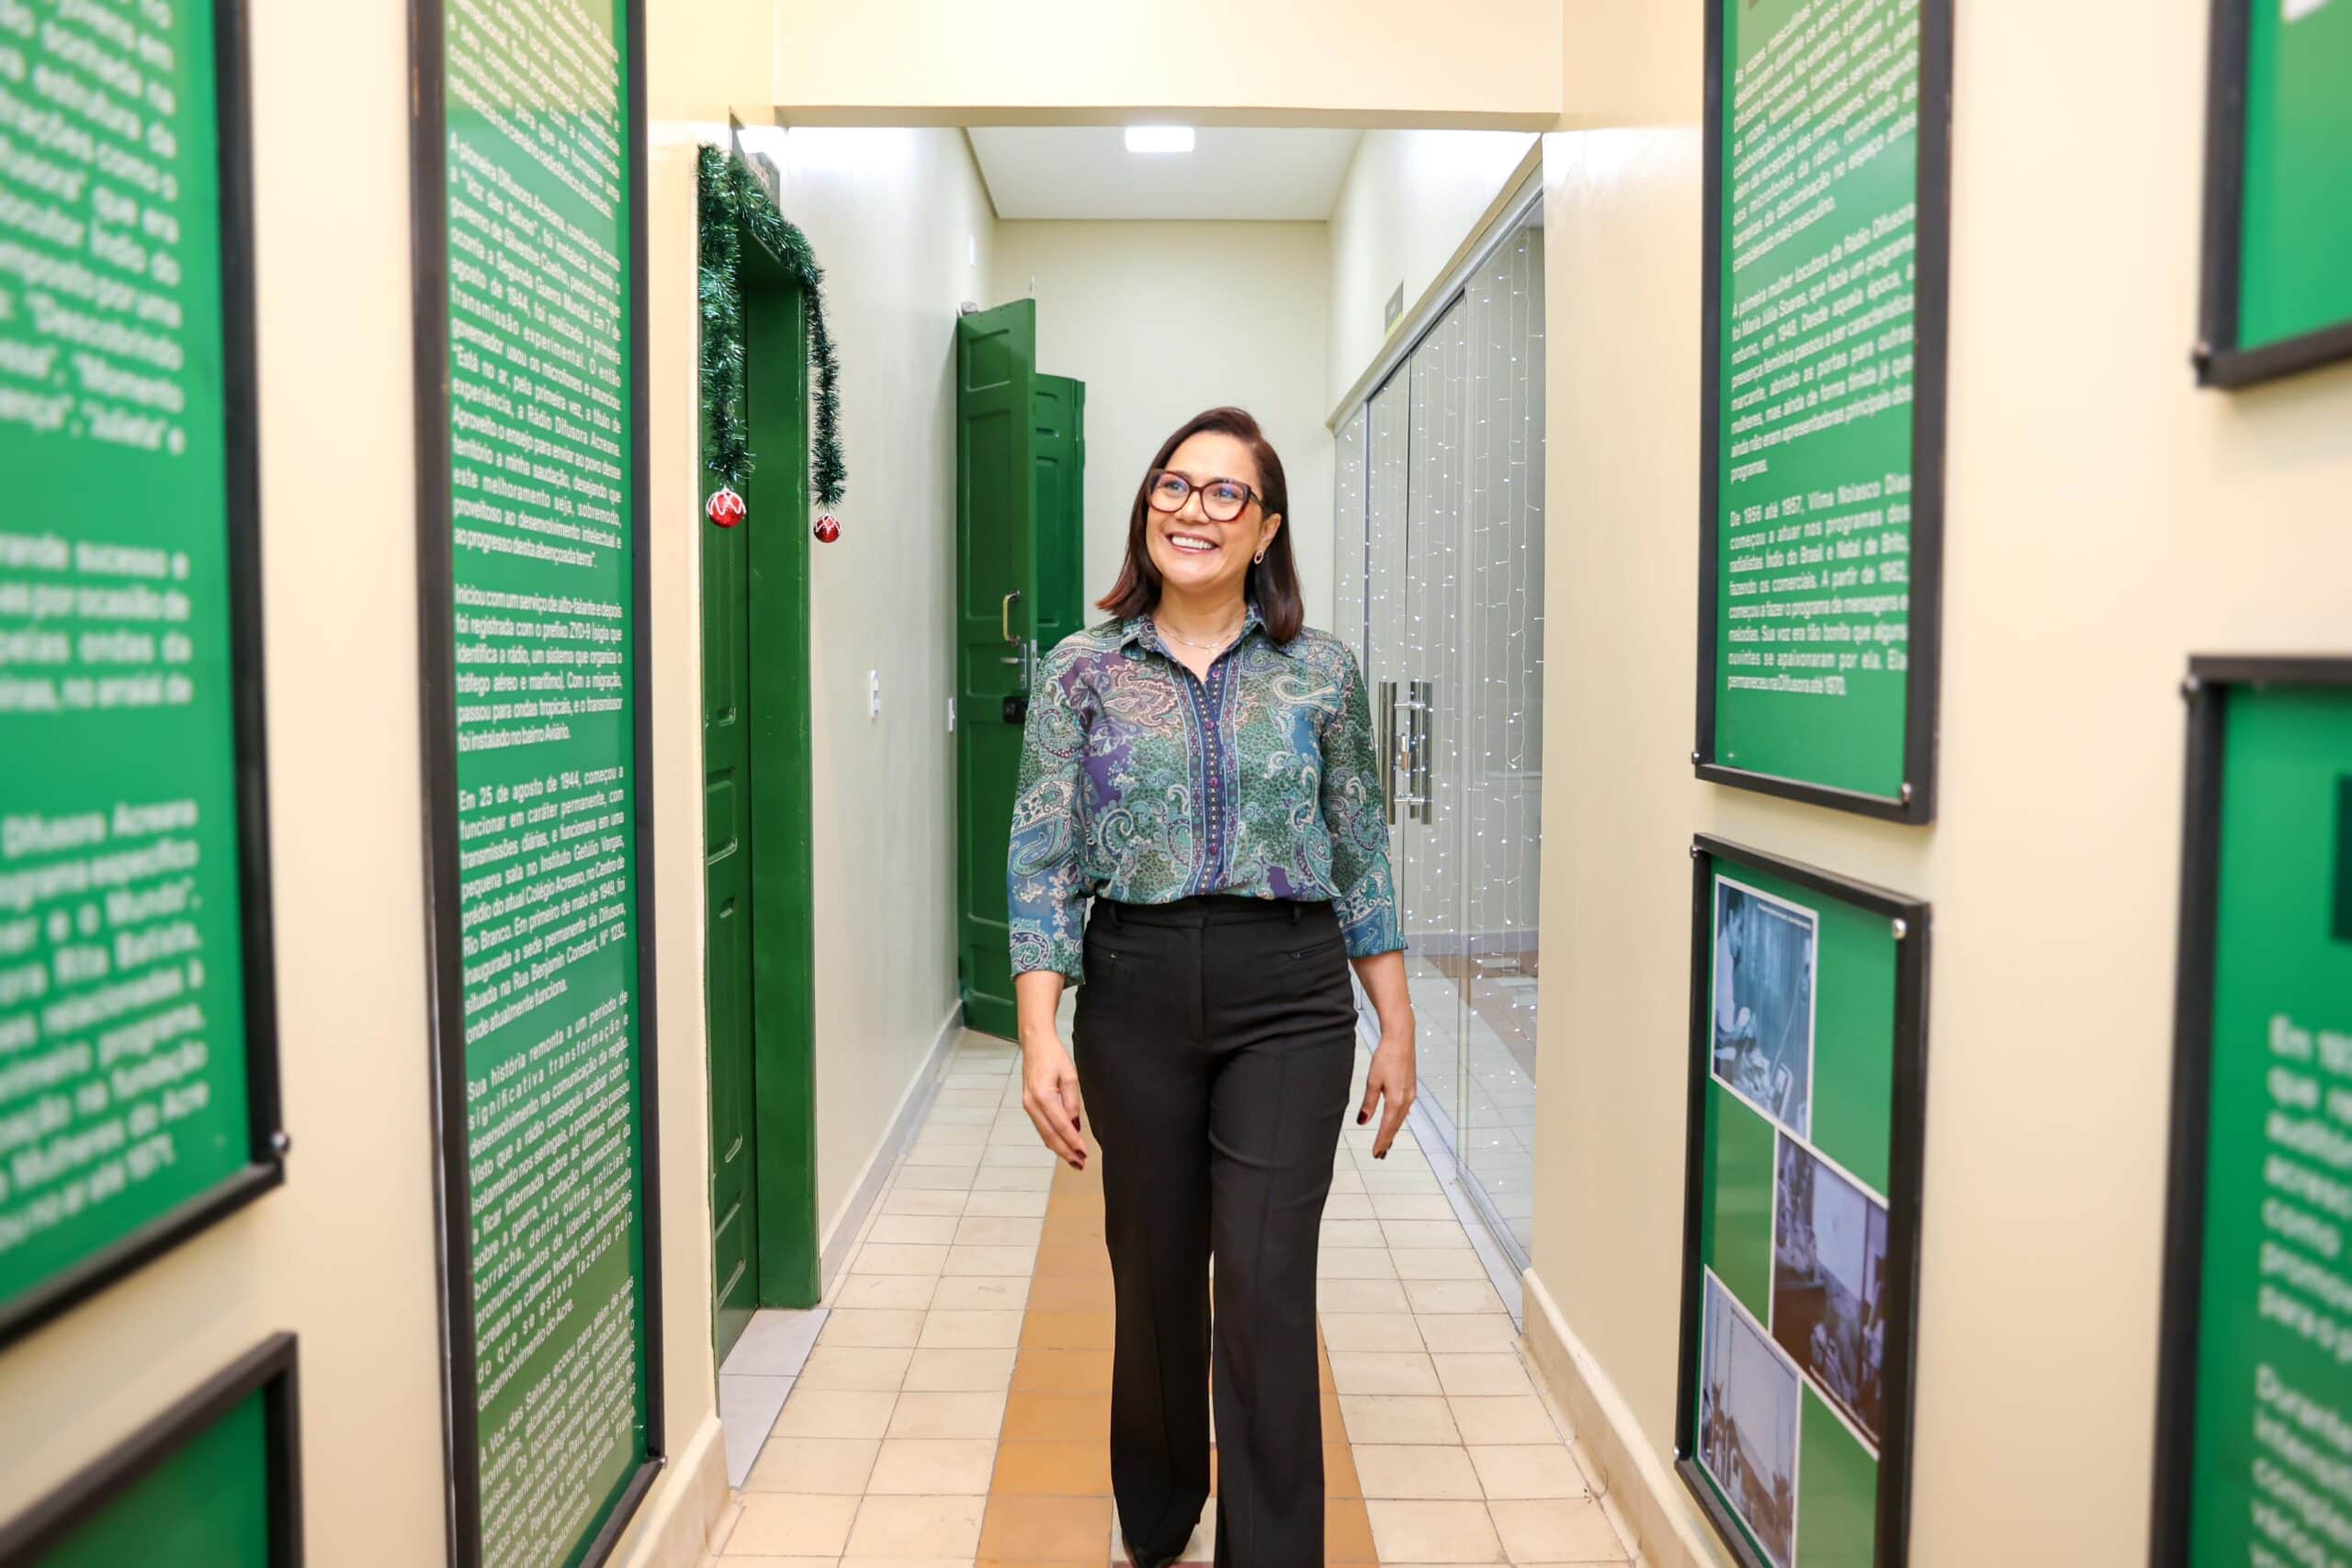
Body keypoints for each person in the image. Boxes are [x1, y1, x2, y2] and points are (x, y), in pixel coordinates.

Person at [1006, 406, 1416, 1567]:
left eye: (1225, 492)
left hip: (1288, 991)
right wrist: (1040, 1034)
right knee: (1152, 1272)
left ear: (1266, 527)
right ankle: (1158, 1509)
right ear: (1148, 507)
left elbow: (1359, 851)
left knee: (1267, 1282)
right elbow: (1040, 857)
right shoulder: (1080, 670)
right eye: (1174, 486)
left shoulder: (1320, 672)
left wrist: (1395, 1022)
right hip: (1132, 988)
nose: (1194, 509)